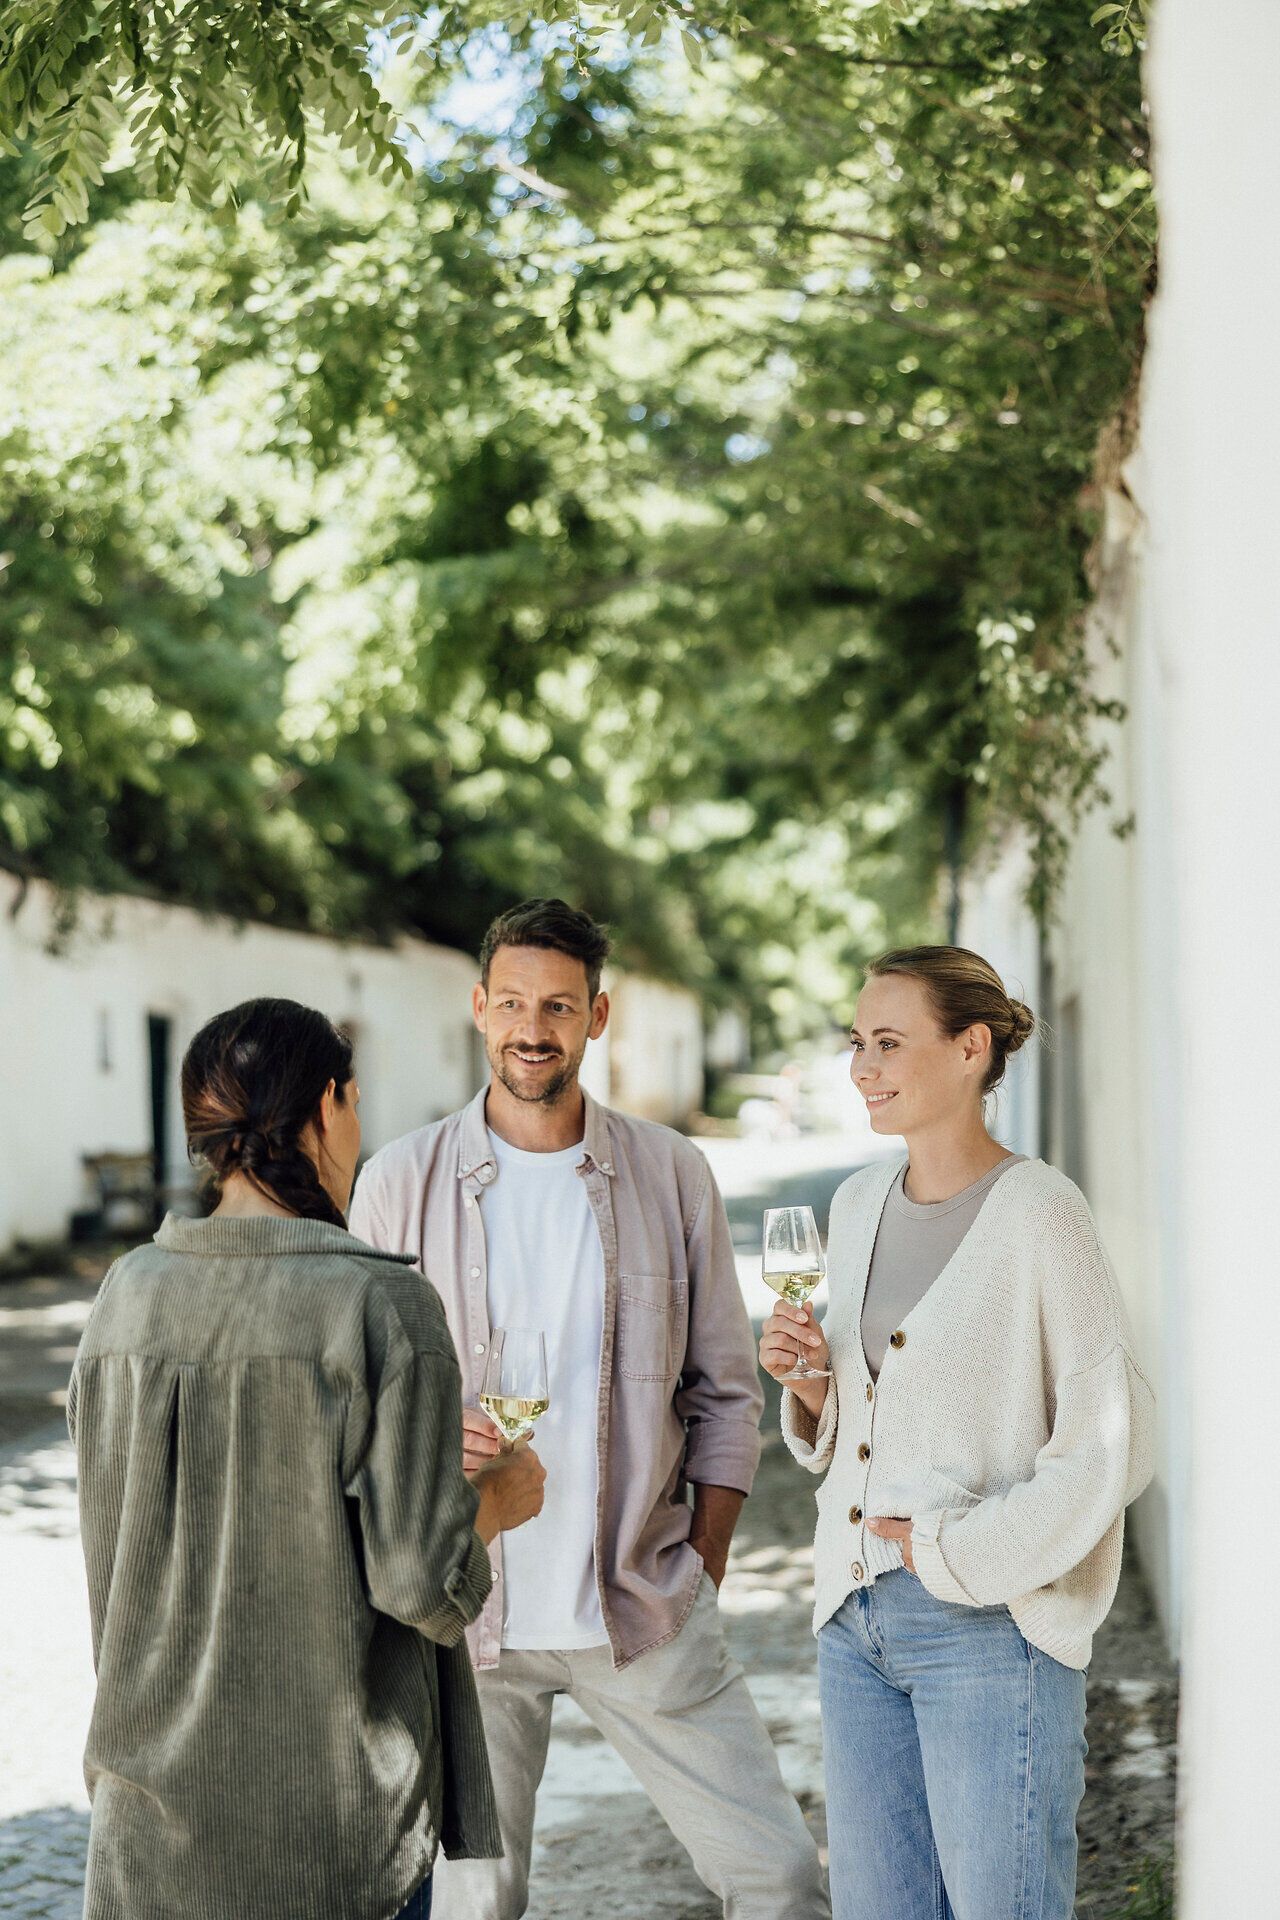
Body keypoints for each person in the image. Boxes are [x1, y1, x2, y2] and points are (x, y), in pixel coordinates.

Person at [350, 898, 829, 1920]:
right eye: (514, 1002)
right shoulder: (397, 1181)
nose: (534, 1028)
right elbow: (355, 1407)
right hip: (461, 1622)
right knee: (468, 1908)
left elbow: (724, 1390)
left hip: (637, 1605)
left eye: (559, 1007)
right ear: (479, 1008)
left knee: (778, 1880)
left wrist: (699, 1562)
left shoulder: (670, 1174)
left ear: (596, 1017)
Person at [69, 997, 546, 1920]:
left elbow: (111, 1562)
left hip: (145, 1828)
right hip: (329, 1840)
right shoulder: (377, 1305)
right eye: (356, 1102)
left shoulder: (124, 1298)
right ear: (328, 1105)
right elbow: (420, 1581)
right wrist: (494, 1500)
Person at [760, 947, 1156, 1920]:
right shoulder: (855, 1206)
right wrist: (810, 1384)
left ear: (970, 1049)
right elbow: (866, 1417)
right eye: (857, 1043)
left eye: (888, 1043)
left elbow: (1116, 1441)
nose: (862, 1067)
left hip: (986, 1631)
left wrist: (957, 1552)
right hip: (852, 1624)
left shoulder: (1038, 1215)